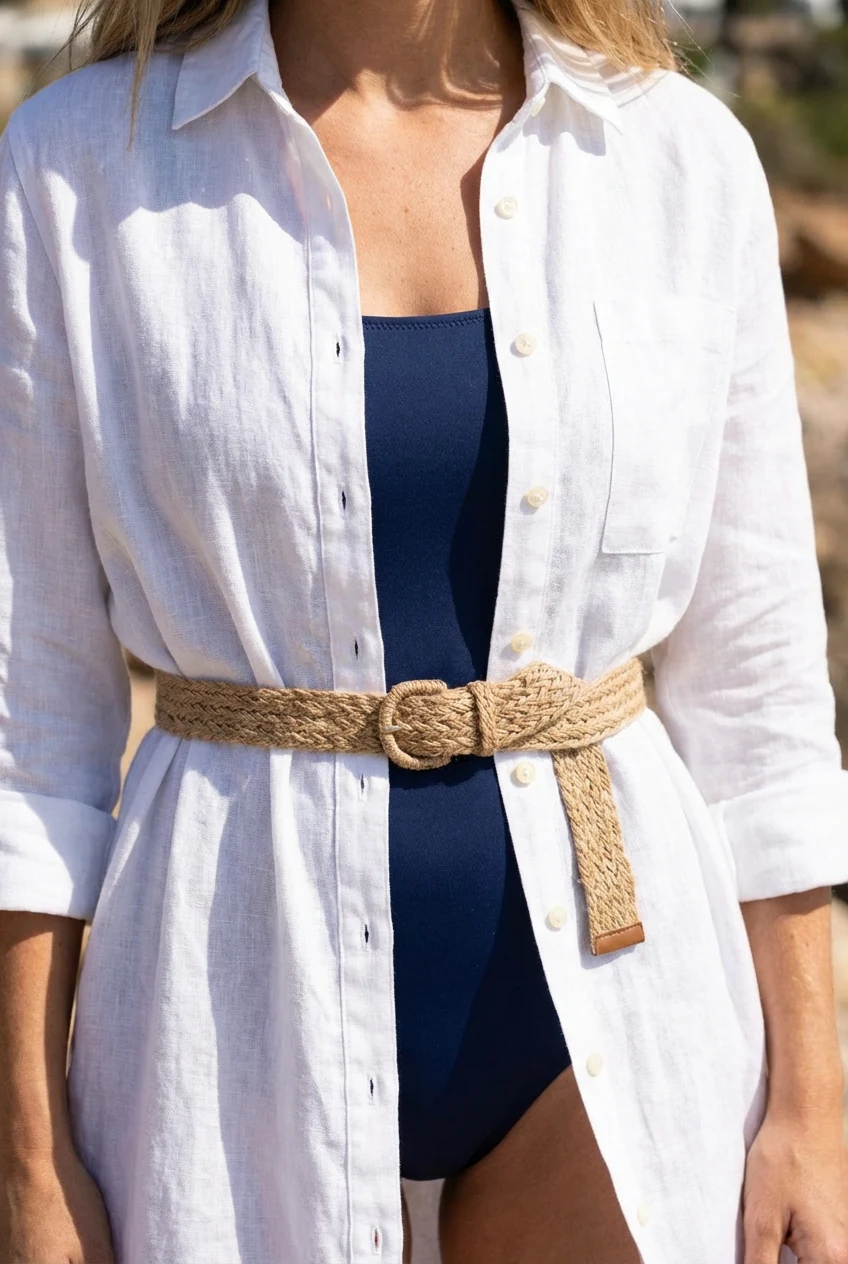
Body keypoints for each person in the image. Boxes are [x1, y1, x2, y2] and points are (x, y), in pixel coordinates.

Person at [1, 0, 847, 1259]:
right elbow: (31, 724)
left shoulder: (674, 158)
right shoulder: (80, 164)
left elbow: (759, 701)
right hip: (228, 1023)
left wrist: (813, 1107)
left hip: (612, 1017)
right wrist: (25, 1152)